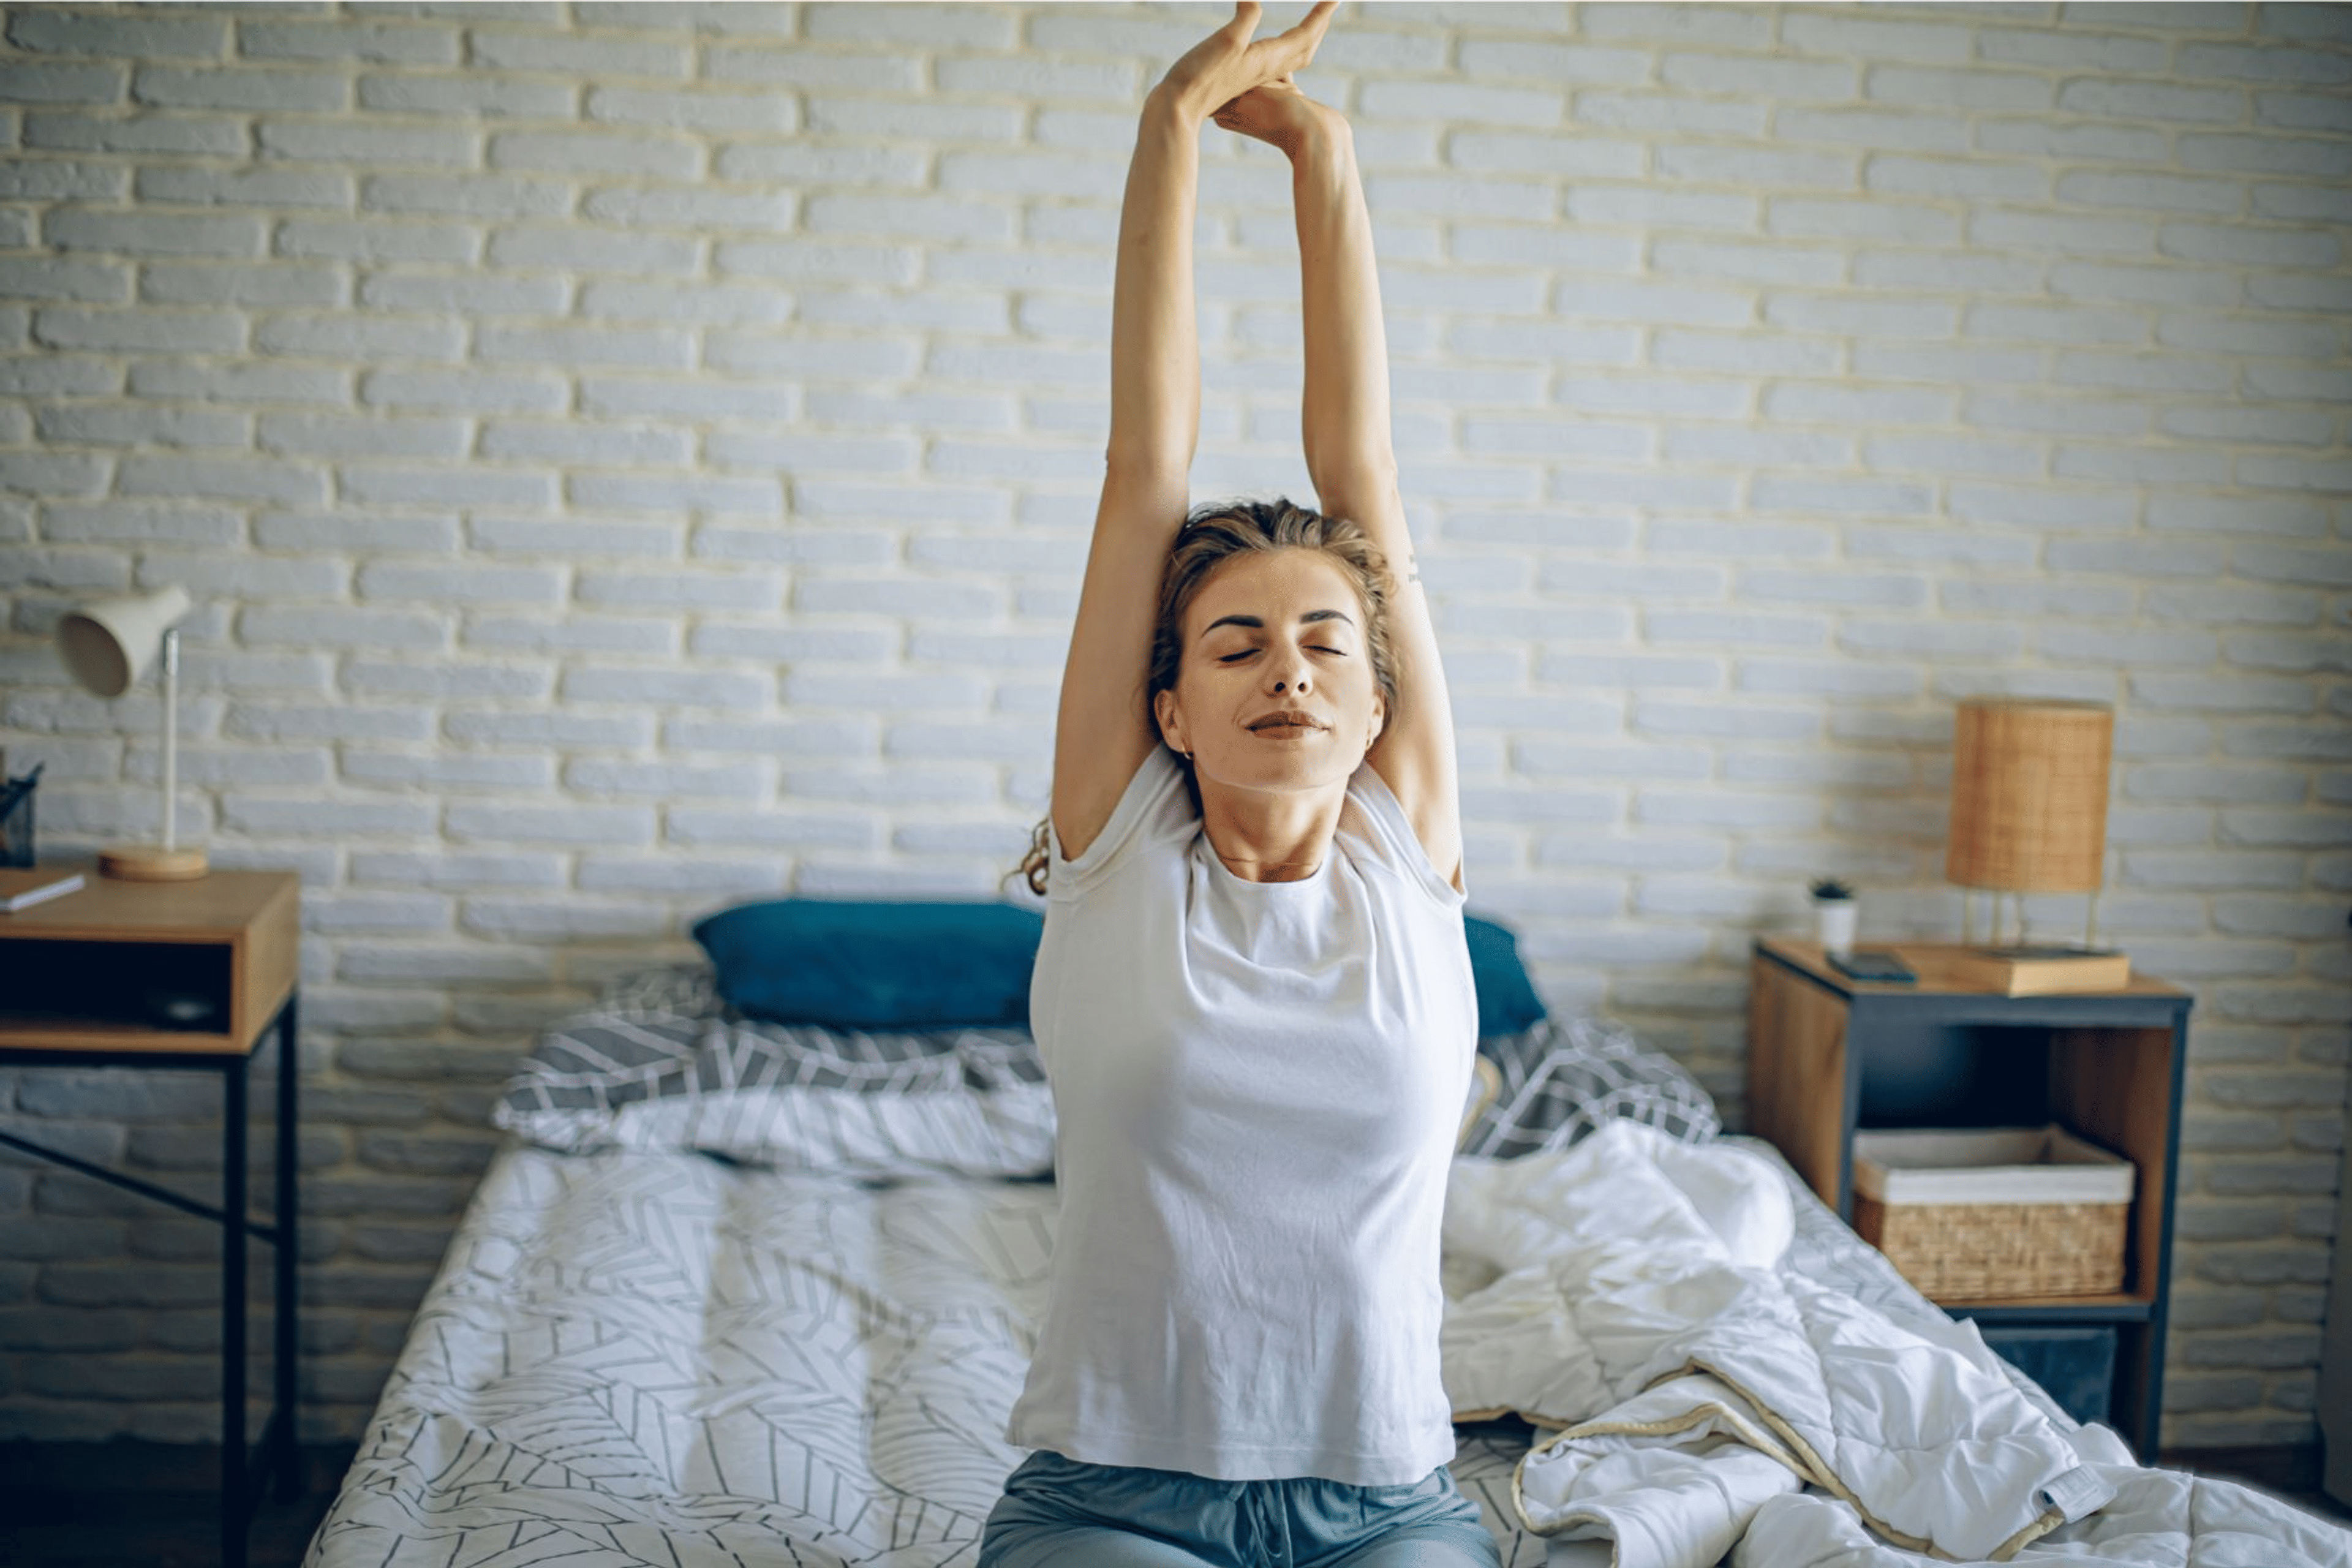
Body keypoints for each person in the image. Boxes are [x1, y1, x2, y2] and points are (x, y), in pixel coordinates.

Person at [984, 4, 1498, 1564]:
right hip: (1116, 1494)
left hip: (1386, 1499)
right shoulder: (1122, 847)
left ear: (1373, 701)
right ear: (1173, 711)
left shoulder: (1408, 849)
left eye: (1326, 641)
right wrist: (1171, 124)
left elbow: (1366, 474)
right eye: (1236, 644)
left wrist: (1325, 164)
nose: (1288, 668)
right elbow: (1148, 460)